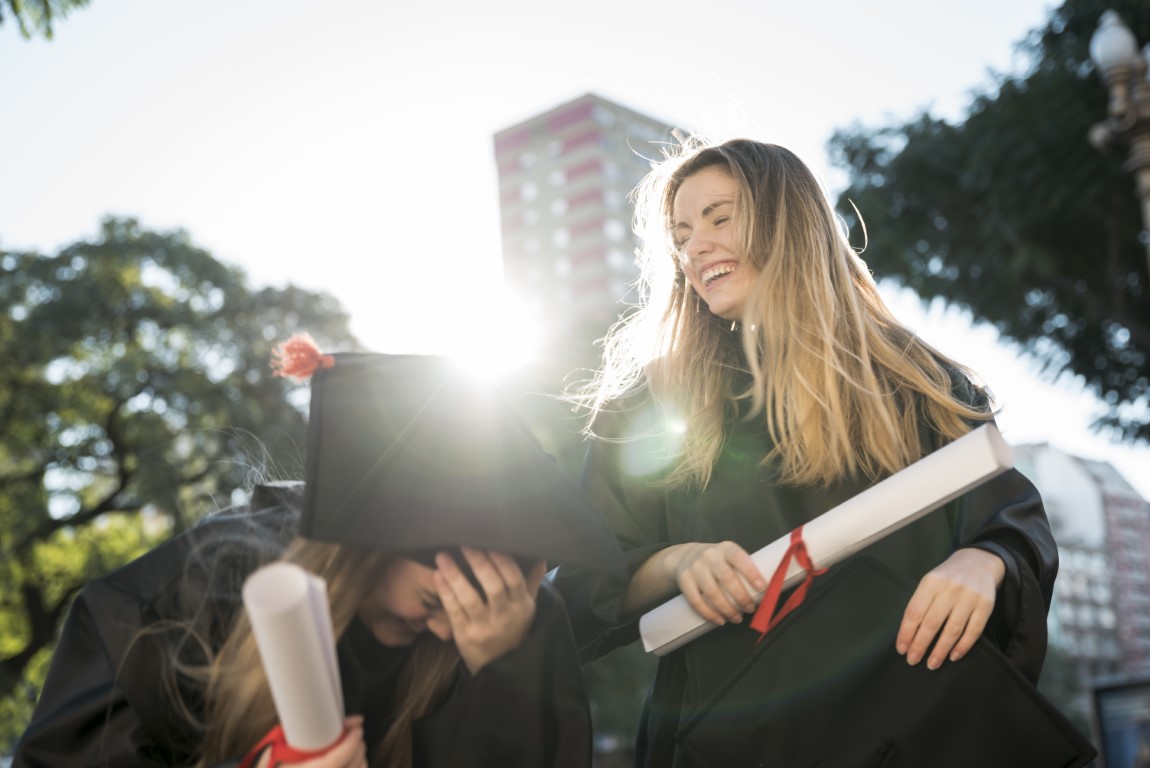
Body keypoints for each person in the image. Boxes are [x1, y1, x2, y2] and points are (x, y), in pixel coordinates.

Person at [553, 138, 1096, 767]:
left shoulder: (910, 380)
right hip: (740, 739)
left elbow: (1011, 518)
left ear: (787, 222)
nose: (694, 249)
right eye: (681, 234)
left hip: (918, 726)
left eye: (720, 218)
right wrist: (677, 562)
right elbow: (582, 585)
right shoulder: (655, 408)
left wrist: (984, 561)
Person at [15, 337, 625, 768]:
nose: (450, 620)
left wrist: (502, 677)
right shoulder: (198, 595)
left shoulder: (516, 628)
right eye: (446, 585)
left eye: (492, 591)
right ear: (376, 525)